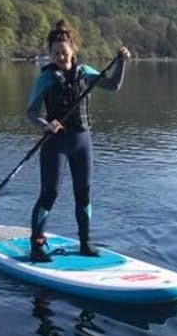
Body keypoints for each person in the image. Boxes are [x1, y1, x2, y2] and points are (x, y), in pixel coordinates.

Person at [26, 19, 130, 262]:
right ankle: (37, 245)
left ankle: (85, 243)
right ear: (49, 54)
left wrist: (122, 62)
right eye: (55, 53)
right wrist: (46, 124)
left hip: (82, 141)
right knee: (49, 193)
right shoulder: (46, 79)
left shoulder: (85, 72)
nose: (60, 57)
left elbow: (114, 85)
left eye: (64, 52)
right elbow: (31, 113)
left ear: (73, 51)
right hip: (55, 144)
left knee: (83, 193)